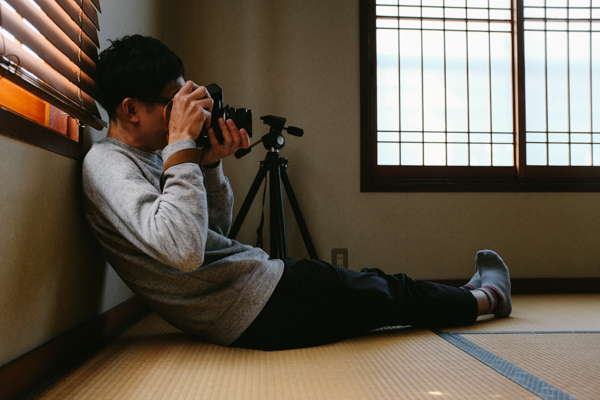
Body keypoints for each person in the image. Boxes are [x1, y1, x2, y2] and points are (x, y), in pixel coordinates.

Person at [82, 34, 512, 351]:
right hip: (249, 307)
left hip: (248, 292)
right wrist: (181, 149)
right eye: (173, 102)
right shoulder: (107, 165)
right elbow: (183, 250)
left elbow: (212, 231)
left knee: (373, 293)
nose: (184, 112)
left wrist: (207, 163)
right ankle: (485, 298)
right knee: (388, 293)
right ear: (130, 108)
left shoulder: (156, 156)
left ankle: (468, 296)